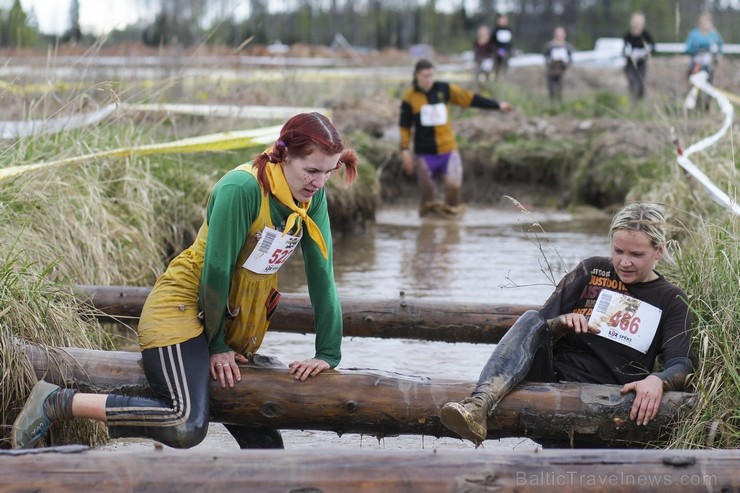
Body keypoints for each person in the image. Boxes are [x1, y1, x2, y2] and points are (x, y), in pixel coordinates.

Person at [12, 112, 359, 450]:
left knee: (264, 443)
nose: (318, 182)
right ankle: (57, 401)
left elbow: (322, 275)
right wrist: (218, 344)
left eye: (328, 173)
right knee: (185, 424)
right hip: (183, 312)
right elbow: (217, 272)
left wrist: (328, 353)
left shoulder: (310, 198)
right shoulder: (242, 188)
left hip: (232, 321)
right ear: (283, 155)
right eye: (311, 170)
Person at [440, 202, 693, 446]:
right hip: (551, 383)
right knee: (530, 317)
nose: (624, 262)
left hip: (610, 400)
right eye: (618, 251)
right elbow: (538, 328)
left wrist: (658, 380)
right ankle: (478, 405)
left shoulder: (671, 299)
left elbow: (681, 364)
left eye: (636, 254)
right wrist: (561, 323)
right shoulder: (592, 269)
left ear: (659, 250)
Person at [399, 59, 513, 217]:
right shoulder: (409, 97)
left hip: (447, 150)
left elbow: (469, 98)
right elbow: (404, 126)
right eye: (425, 76)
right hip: (424, 153)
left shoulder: (444, 89)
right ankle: (426, 230)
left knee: (453, 186)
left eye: (431, 75)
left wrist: (497, 105)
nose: (429, 80)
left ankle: (451, 229)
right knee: (428, 194)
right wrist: (404, 150)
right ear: (417, 75)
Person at [622, 12, 655, 102]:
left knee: (642, 82)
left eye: (639, 22)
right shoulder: (627, 36)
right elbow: (623, 50)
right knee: (632, 81)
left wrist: (643, 54)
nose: (637, 25)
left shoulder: (646, 36)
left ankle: (640, 101)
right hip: (630, 64)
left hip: (642, 64)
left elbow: (653, 48)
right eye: (635, 22)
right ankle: (633, 100)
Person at [684, 12, 724, 84]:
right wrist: (698, 50)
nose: (705, 24)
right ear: (699, 22)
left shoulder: (713, 34)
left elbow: (720, 46)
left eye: (707, 21)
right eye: (703, 21)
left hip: (709, 64)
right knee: (694, 81)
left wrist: (718, 57)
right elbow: (688, 48)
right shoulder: (694, 34)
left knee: (708, 80)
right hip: (696, 63)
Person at [543, 26, 574, 105]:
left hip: (562, 71)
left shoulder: (567, 46)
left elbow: (570, 59)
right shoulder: (550, 45)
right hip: (552, 70)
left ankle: (561, 104)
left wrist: (565, 63)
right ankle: (552, 104)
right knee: (552, 90)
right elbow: (545, 57)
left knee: (561, 90)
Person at [492, 14, 514, 80]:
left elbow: (510, 42)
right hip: (497, 51)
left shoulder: (509, 30)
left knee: (506, 60)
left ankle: (506, 76)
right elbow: (493, 42)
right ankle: (497, 76)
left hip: (507, 50)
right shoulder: (495, 30)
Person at [472, 25, 495, 90]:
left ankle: (487, 86)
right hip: (479, 60)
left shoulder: (490, 41)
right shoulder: (476, 41)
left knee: (486, 73)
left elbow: (491, 51)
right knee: (478, 74)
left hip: (487, 60)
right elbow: (476, 51)